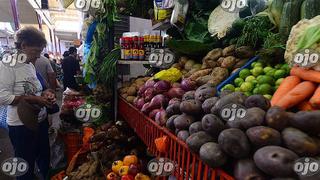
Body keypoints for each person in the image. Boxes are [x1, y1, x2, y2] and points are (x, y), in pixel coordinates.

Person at [0, 26, 55, 180]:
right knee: (25, 165)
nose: (38, 56)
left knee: (44, 156)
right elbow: (2, 97)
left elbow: (37, 88)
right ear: (23, 46)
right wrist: (32, 99)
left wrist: (46, 94)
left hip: (39, 121)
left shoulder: (30, 65)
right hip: (21, 126)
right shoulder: (7, 65)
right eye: (36, 51)